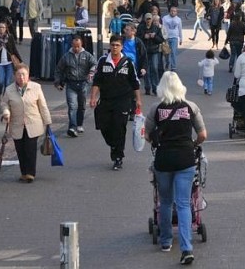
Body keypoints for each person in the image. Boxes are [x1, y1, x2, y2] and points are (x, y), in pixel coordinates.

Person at [144, 71, 207, 265]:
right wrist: (193, 144)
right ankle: (187, 248)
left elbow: (146, 135)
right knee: (183, 203)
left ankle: (165, 242)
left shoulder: (156, 109)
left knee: (165, 202)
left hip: (164, 160)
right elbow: (203, 134)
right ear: (180, 87)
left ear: (161, 88)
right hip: (186, 159)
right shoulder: (191, 107)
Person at [89, 35, 142, 170]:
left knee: (119, 127)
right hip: (106, 100)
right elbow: (97, 81)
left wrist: (138, 100)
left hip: (123, 101)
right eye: (112, 45)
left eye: (117, 45)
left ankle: (118, 157)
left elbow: (135, 83)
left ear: (122, 47)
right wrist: (93, 97)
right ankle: (113, 144)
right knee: (104, 126)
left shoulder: (128, 62)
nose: (114, 47)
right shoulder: (103, 61)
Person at [1, 64, 52, 183]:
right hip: (17, 124)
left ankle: (30, 173)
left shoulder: (36, 87)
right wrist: (6, 112)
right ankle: (23, 172)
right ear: (15, 76)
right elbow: (4, 104)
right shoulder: (9, 90)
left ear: (28, 75)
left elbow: (43, 106)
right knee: (20, 149)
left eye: (24, 74)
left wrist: (48, 122)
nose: (21, 77)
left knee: (30, 148)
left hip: (33, 123)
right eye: (19, 75)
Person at [55, 36, 97, 137]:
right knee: (72, 106)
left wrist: (91, 72)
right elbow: (59, 69)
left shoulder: (87, 55)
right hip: (71, 84)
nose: (76, 48)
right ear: (71, 45)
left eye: (78, 46)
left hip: (83, 83)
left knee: (82, 106)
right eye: (74, 46)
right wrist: (57, 82)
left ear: (81, 45)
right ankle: (72, 127)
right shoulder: (66, 56)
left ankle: (79, 124)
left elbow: (94, 64)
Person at [0, 22, 22, 103]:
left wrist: (20, 61)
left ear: (6, 28)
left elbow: (14, 50)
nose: (1, 29)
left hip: (9, 63)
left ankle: (5, 99)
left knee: (7, 83)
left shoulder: (10, 37)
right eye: (0, 27)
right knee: (0, 81)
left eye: (3, 27)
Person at [162, 6, 183, 71]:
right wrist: (163, 37)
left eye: (174, 11)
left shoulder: (178, 19)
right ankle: (167, 63)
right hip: (167, 38)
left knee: (173, 52)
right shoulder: (165, 18)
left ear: (176, 12)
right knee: (166, 53)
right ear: (169, 11)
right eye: (171, 11)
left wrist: (181, 38)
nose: (173, 12)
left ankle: (173, 66)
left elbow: (180, 29)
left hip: (174, 38)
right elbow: (163, 28)